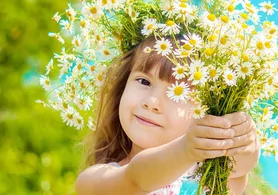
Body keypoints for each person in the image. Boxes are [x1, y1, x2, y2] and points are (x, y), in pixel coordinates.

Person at [75, 36, 260, 195]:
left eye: (179, 92)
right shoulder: (96, 180)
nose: (152, 102)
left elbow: (239, 165)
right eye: (144, 81)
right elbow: (138, 178)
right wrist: (185, 150)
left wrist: (241, 136)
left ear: (206, 112)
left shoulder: (211, 177)